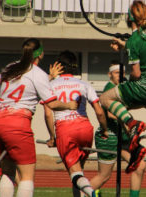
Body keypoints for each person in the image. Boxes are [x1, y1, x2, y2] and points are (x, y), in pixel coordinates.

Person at [0, 38, 78, 197]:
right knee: (26, 177)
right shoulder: (37, 73)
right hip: (16, 124)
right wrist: (70, 105)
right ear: (41, 54)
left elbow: (13, 89)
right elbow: (52, 104)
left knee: (7, 171)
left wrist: (49, 78)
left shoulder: (10, 67)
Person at [99, 0, 146, 154]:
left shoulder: (133, 41)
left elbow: (136, 73)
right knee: (120, 107)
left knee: (105, 99)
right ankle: (133, 147)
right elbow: (142, 49)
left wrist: (129, 82)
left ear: (129, 18)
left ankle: (133, 125)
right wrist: (124, 45)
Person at [44, 50, 108, 197]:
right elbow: (99, 112)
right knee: (79, 171)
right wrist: (104, 129)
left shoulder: (50, 85)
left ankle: (92, 193)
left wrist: (52, 137)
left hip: (65, 129)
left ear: (58, 66)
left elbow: (48, 114)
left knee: (75, 172)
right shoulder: (84, 84)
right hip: (85, 128)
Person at [90, 61, 146, 197]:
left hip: (122, 138)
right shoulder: (109, 89)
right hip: (110, 136)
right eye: (117, 73)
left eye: (122, 73)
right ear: (109, 74)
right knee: (104, 176)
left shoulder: (121, 89)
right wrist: (128, 121)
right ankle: (83, 191)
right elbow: (110, 113)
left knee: (140, 166)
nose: (120, 76)